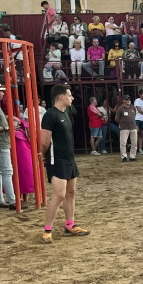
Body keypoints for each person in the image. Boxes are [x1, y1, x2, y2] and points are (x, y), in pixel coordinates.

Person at [39, 85, 89, 243]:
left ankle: (69, 225)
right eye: (69, 95)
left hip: (69, 158)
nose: (72, 98)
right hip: (57, 159)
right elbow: (44, 141)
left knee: (71, 192)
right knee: (59, 195)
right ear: (61, 97)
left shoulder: (65, 114)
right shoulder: (50, 115)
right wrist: (43, 155)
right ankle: (47, 229)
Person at [116, 94, 138, 162]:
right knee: (123, 143)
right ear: (123, 101)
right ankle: (124, 157)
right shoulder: (120, 108)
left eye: (129, 99)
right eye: (127, 99)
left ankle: (132, 156)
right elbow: (117, 118)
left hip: (133, 127)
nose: (128, 101)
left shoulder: (133, 107)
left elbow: (135, 115)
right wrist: (122, 123)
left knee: (134, 143)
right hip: (124, 128)